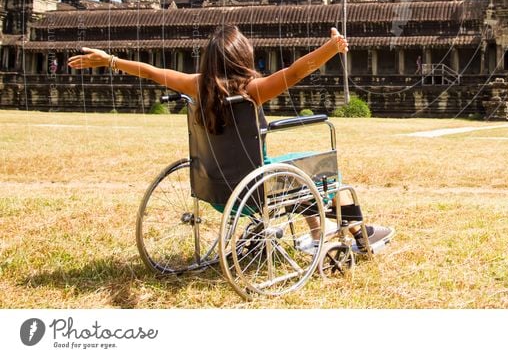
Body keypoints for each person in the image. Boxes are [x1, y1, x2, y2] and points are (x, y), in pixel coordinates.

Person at [68, 24, 390, 250]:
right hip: (257, 190)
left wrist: (109, 60)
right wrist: (332, 48)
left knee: (293, 175)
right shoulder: (253, 90)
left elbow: (152, 71)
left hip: (221, 195)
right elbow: (296, 71)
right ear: (243, 58)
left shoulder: (196, 85)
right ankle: (359, 236)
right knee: (325, 175)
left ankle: (320, 234)